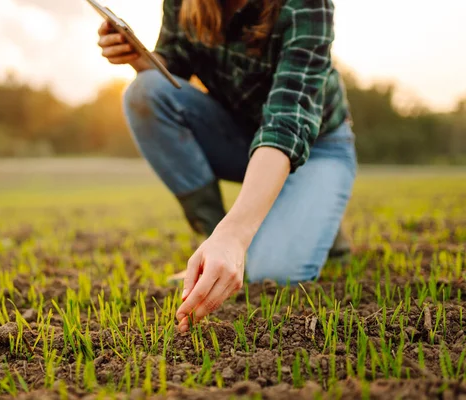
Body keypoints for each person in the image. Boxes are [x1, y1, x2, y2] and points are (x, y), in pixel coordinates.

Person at [97, 0, 357, 332]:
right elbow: (172, 68)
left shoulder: (307, 5)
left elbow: (287, 122)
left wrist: (236, 236)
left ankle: (314, 215)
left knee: (274, 274)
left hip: (318, 144)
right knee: (144, 93)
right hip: (239, 135)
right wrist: (137, 58)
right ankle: (215, 244)